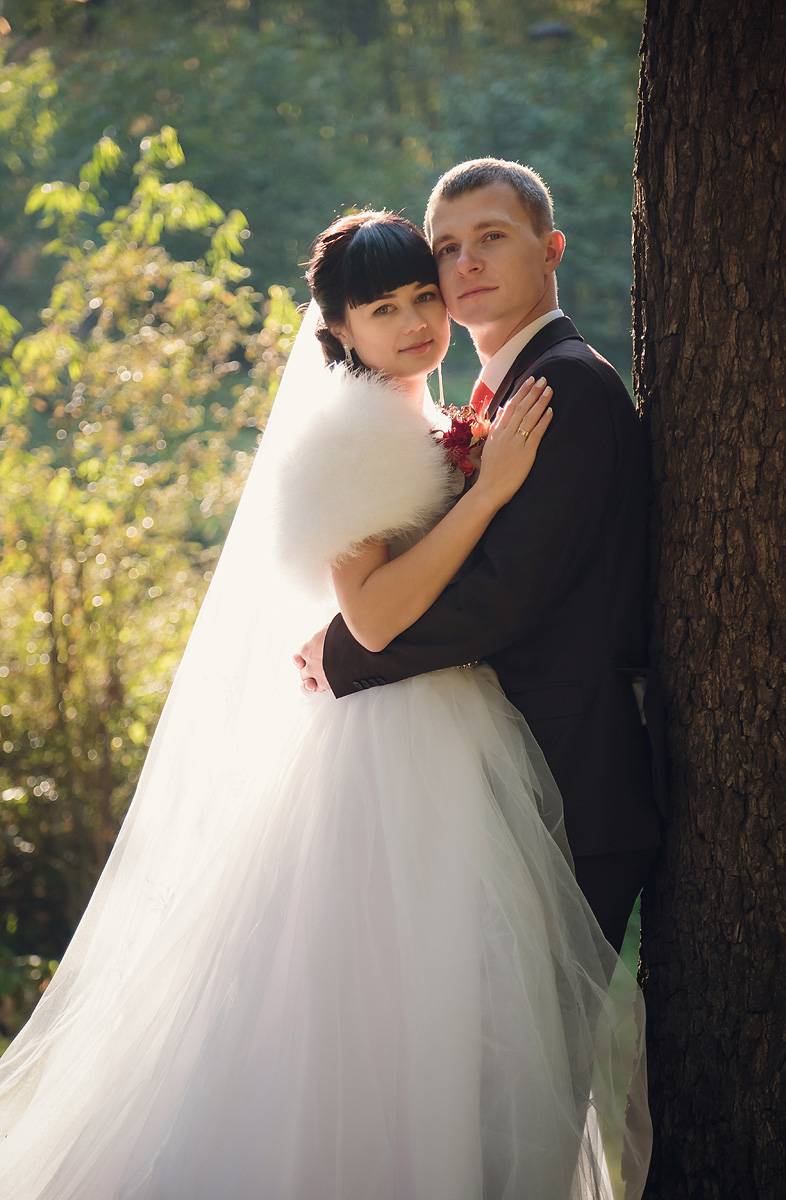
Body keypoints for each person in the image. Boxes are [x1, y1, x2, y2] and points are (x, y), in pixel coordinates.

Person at [0, 210, 651, 1199]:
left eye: (424, 298)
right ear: (339, 329)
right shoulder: (354, 430)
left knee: (441, 1015)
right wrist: (485, 494)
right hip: (395, 742)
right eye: (383, 310)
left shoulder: (422, 417)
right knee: (382, 1010)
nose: (415, 322)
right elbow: (376, 620)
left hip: (454, 730)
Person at [298, 159, 667, 954]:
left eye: (492, 238)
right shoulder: (493, 395)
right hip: (492, 775)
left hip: (572, 773)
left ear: (551, 249)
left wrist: (344, 653)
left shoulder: (562, 387)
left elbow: (504, 595)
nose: (466, 264)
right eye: (448, 248)